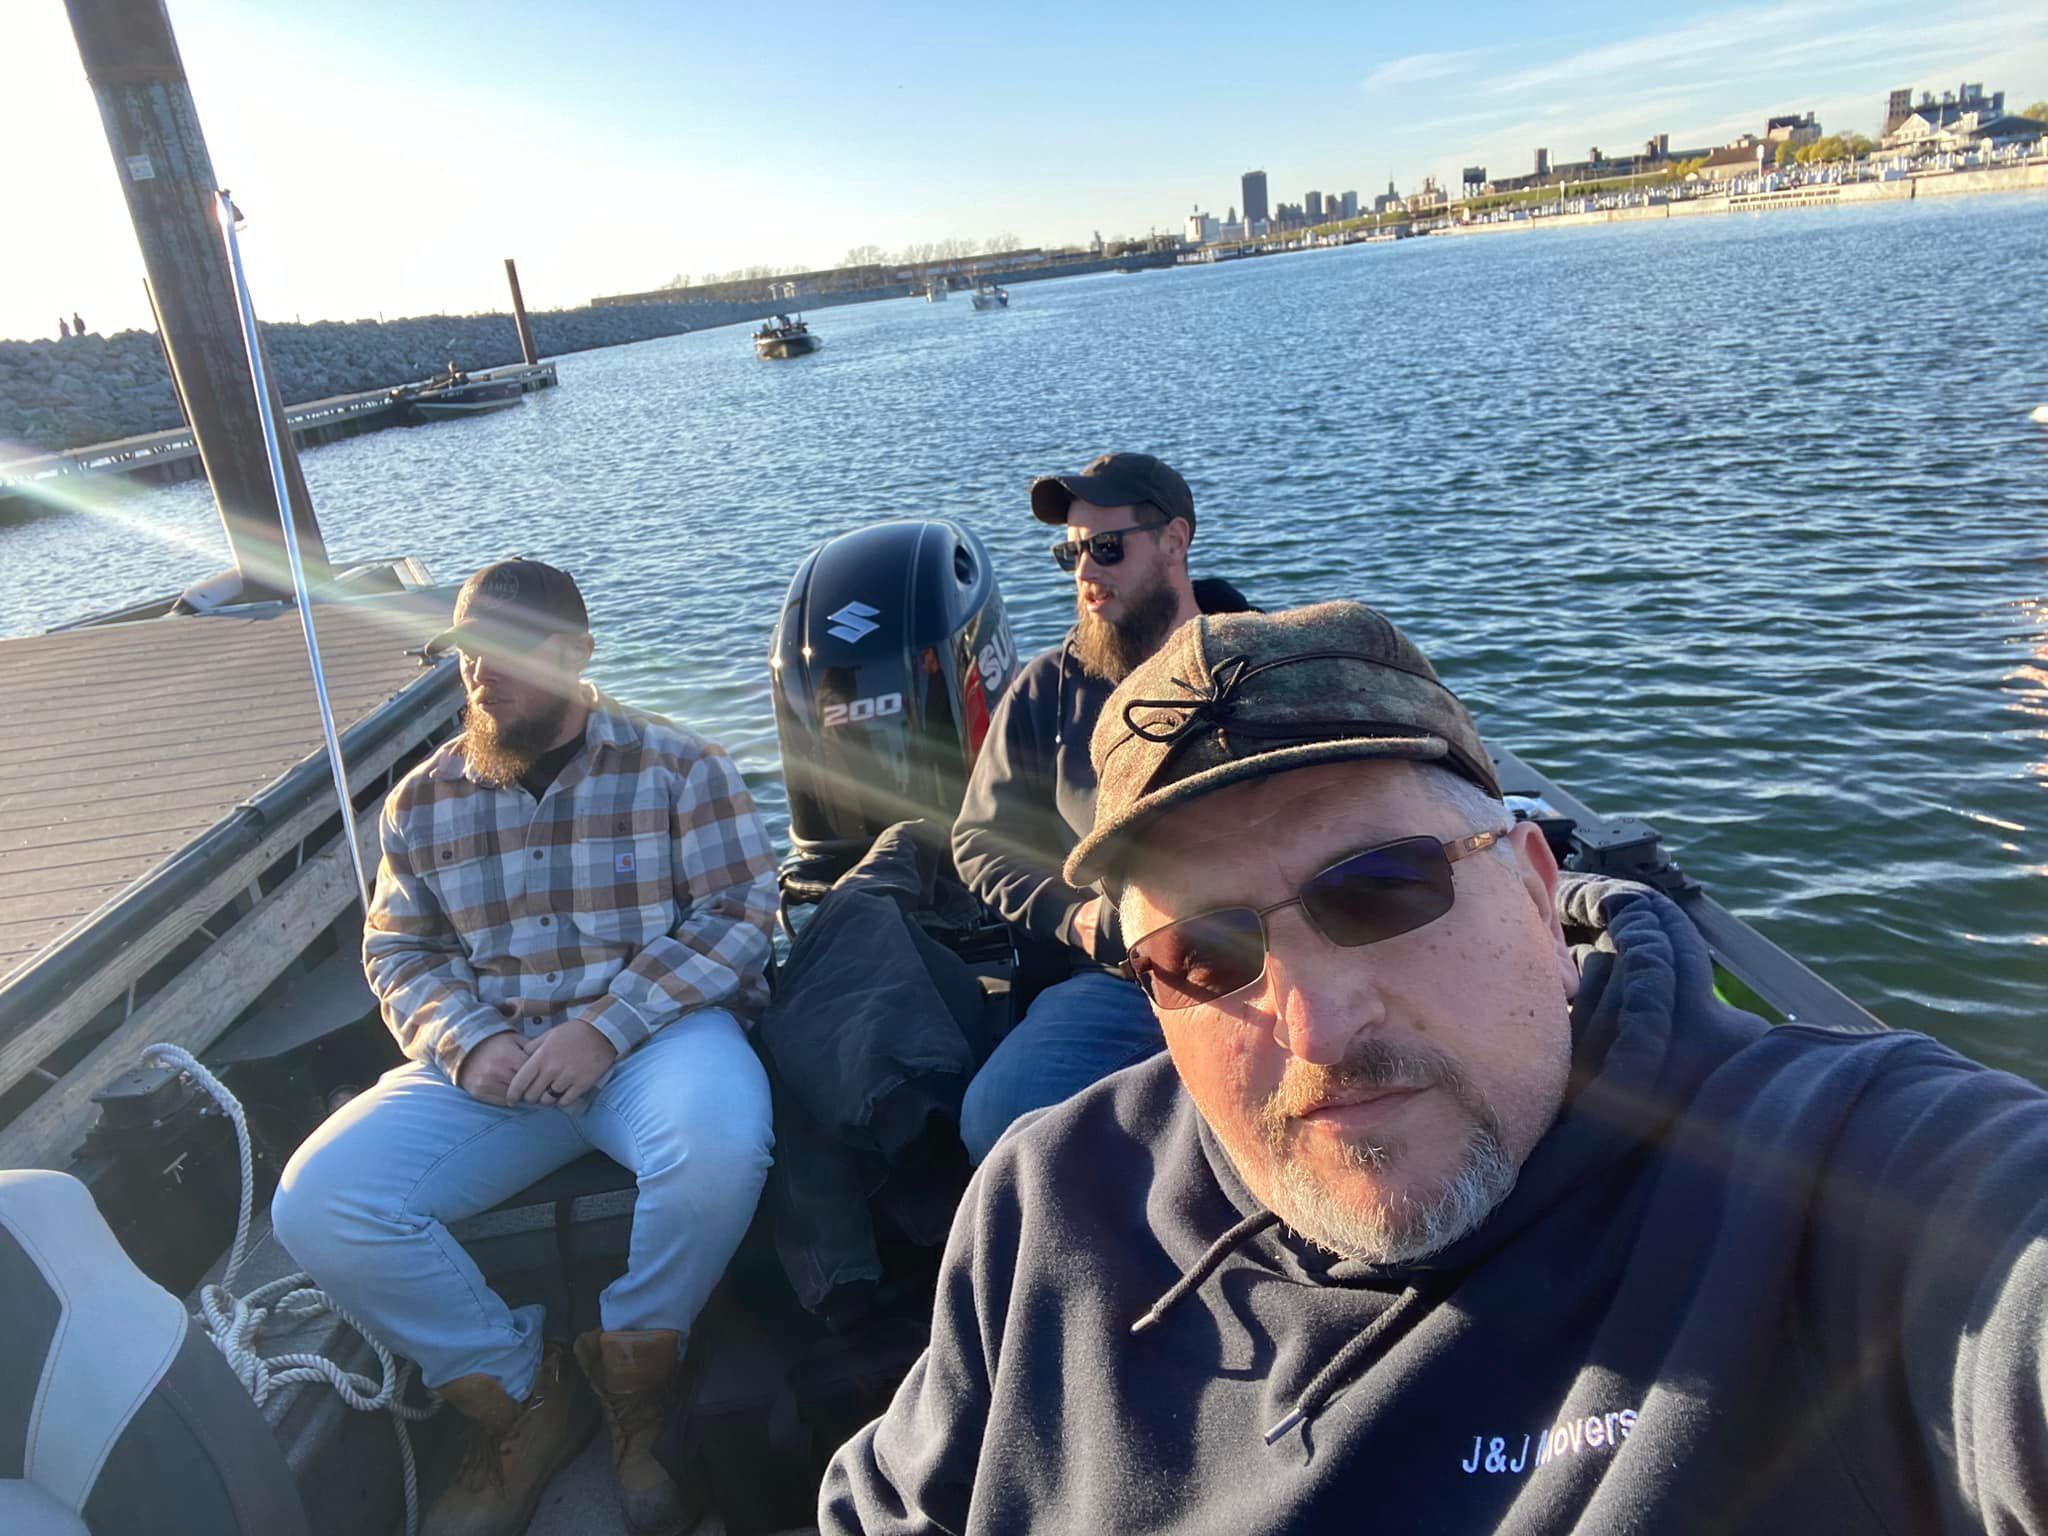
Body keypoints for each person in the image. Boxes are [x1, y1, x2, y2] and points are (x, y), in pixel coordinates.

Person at [824, 600, 2048, 1534]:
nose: (1313, 1024)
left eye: (1380, 889)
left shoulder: (1845, 1195)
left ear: (1530, 885)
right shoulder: (1047, 1210)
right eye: (1202, 954)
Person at [272, 559, 778, 1536]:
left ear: (574, 656)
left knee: (717, 1146)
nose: (477, 677)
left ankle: (638, 1386)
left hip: (657, 1041)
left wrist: (607, 1026)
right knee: (318, 1203)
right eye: (460, 655)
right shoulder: (420, 803)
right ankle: (518, 1394)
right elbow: (401, 952)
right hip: (496, 1063)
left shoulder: (684, 767)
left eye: (500, 654)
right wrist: (468, 1045)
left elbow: (739, 915)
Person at [950, 451, 1249, 1162]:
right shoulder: (1046, 689)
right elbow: (980, 841)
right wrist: (1076, 917)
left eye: (1107, 548)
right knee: (997, 1119)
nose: (1086, 572)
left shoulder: (1263, 656)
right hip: (1122, 982)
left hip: (1271, 958)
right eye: (1072, 552)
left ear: (1175, 542)